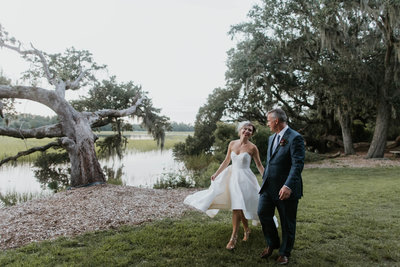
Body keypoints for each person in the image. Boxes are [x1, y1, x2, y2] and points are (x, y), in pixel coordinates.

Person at [184, 121, 266, 250]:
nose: (247, 131)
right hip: (232, 177)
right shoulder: (232, 144)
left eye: (250, 130)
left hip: (245, 179)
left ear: (251, 134)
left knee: (240, 206)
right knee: (237, 206)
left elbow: (259, 165)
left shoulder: (252, 148)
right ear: (240, 130)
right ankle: (241, 232)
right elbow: (227, 160)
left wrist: (266, 179)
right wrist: (216, 174)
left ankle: (237, 235)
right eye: (245, 129)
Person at [258, 108, 305, 265]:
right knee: (263, 213)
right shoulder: (272, 138)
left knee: (287, 221)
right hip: (268, 187)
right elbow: (270, 161)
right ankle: (272, 243)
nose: (267, 123)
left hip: (286, 189)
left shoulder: (295, 138)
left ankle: (284, 252)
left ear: (276, 121)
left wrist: (288, 186)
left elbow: (297, 164)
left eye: (268, 121)